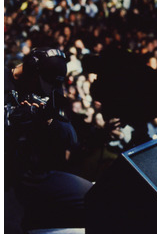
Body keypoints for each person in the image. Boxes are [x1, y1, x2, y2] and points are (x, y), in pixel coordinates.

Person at [5, 47, 94, 230]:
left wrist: (47, 120)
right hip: (7, 175)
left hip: (35, 174)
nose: (43, 90)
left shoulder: (50, 90)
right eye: (40, 83)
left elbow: (71, 137)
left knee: (94, 196)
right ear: (30, 68)